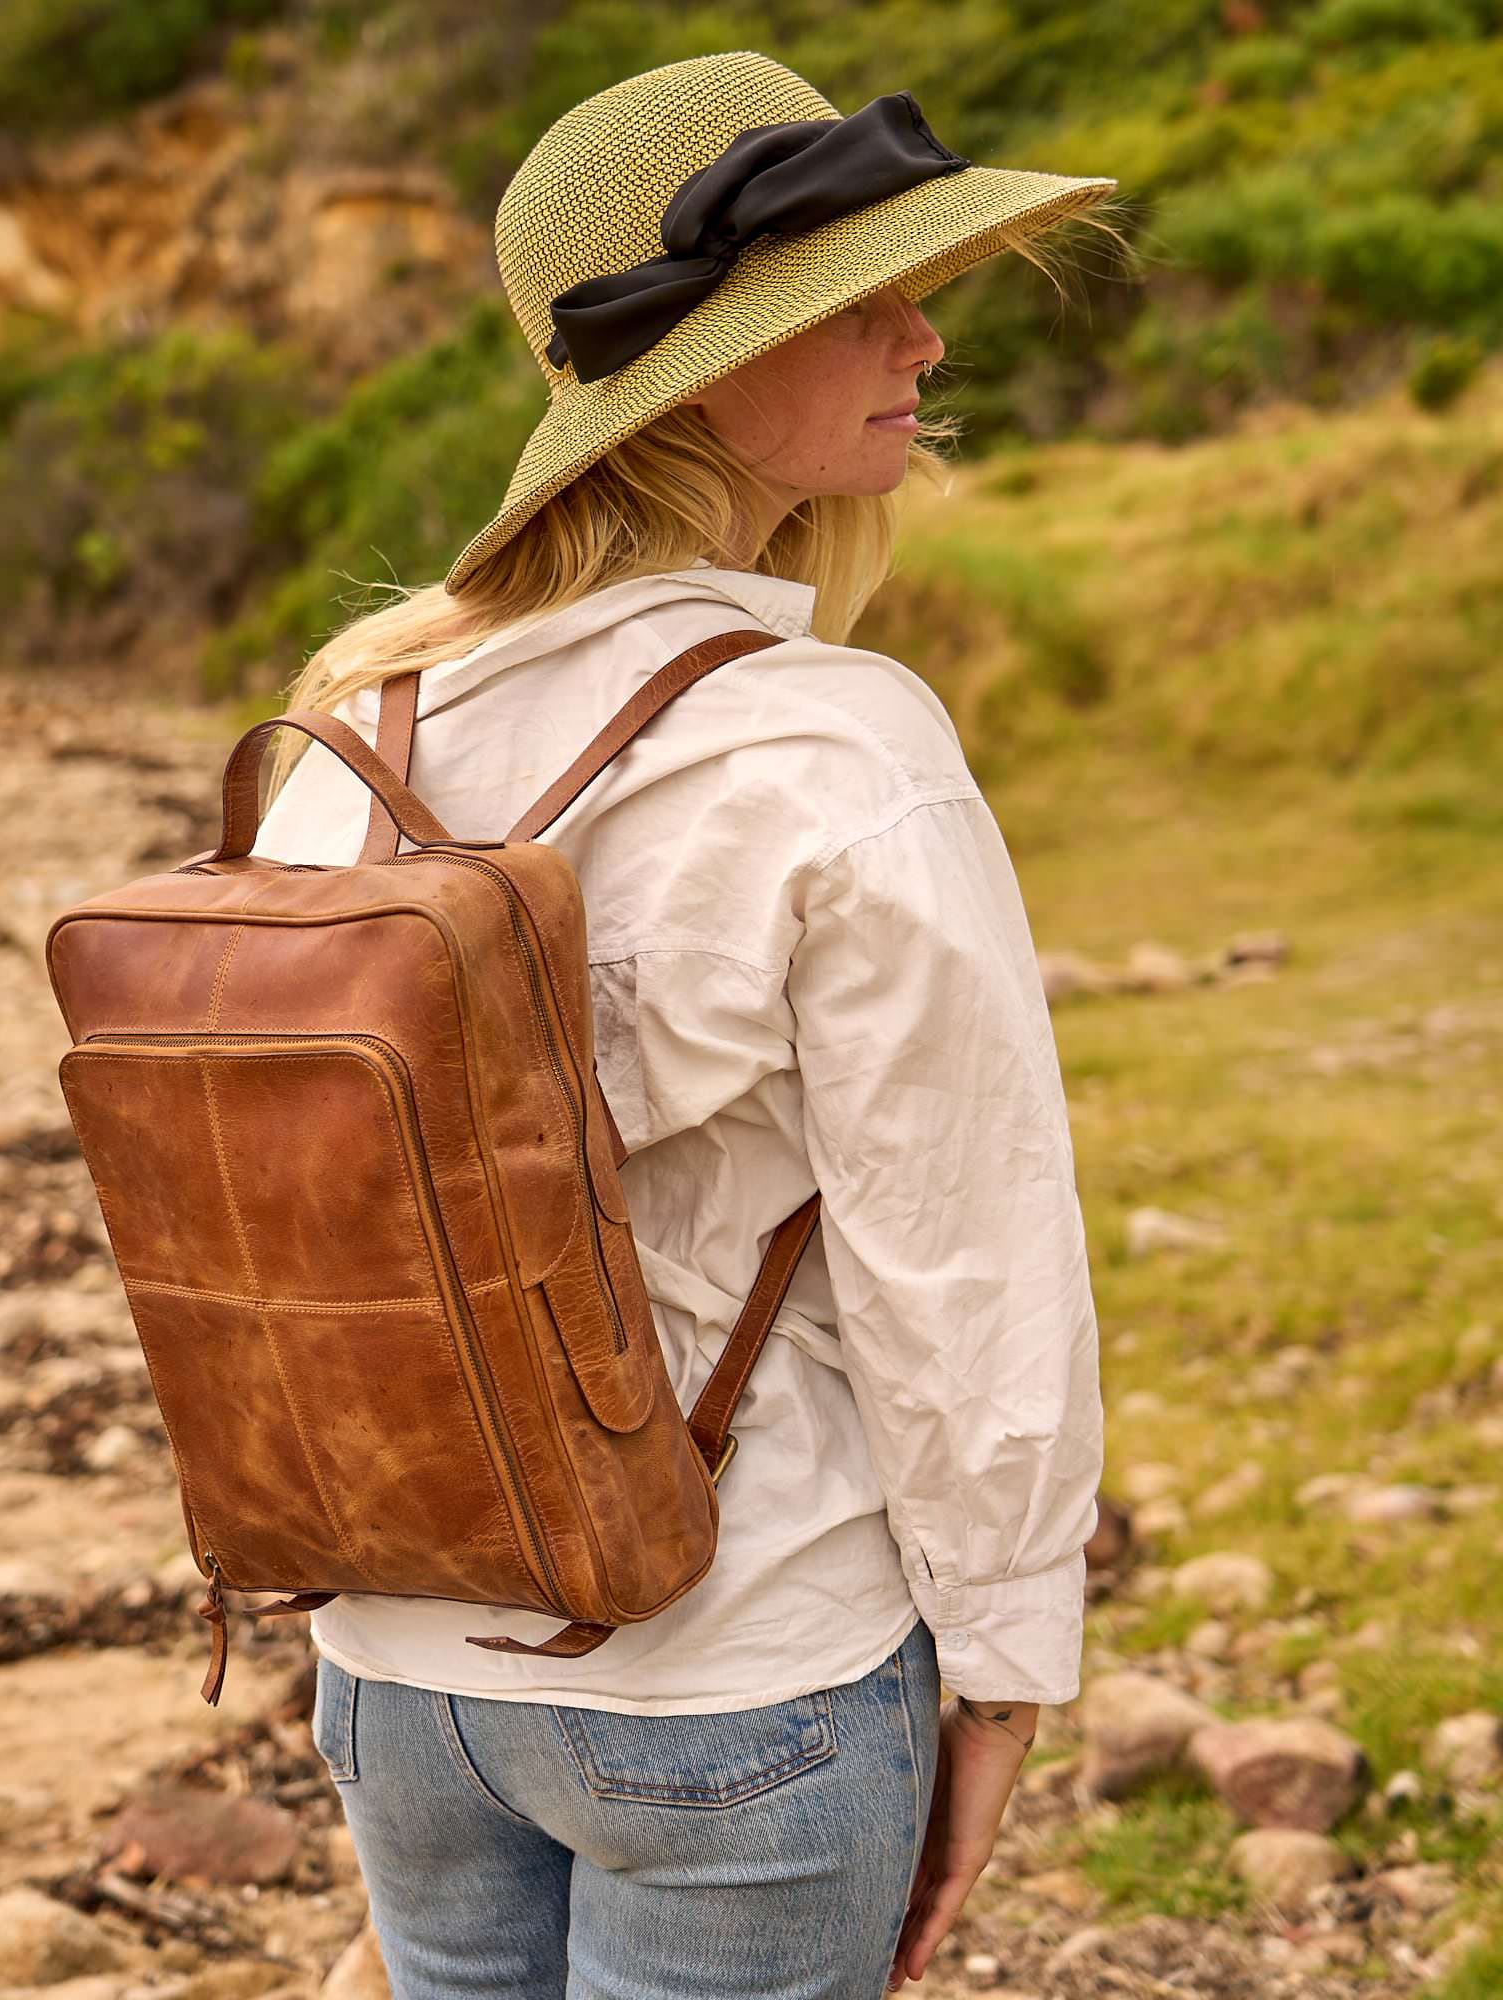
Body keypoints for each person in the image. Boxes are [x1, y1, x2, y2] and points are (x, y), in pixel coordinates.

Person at [246, 51, 1128, 2000]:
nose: (923, 329)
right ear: (700, 375)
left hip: (395, 1674)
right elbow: (961, 1261)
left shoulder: (352, 734)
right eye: (855, 295)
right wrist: (1003, 1666)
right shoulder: (835, 745)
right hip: (739, 1666)